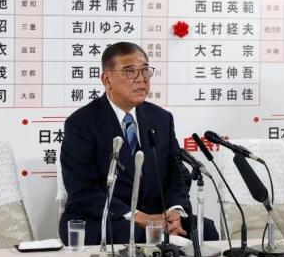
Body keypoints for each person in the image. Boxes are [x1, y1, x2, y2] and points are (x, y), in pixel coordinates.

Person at [59, 41, 218, 244]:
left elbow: (178, 174)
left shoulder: (161, 119)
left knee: (206, 230)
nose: (141, 79)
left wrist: (174, 211)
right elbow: (84, 191)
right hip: (106, 218)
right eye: (129, 71)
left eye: (145, 71)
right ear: (107, 79)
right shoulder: (82, 123)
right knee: (140, 235)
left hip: (158, 216)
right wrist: (137, 216)